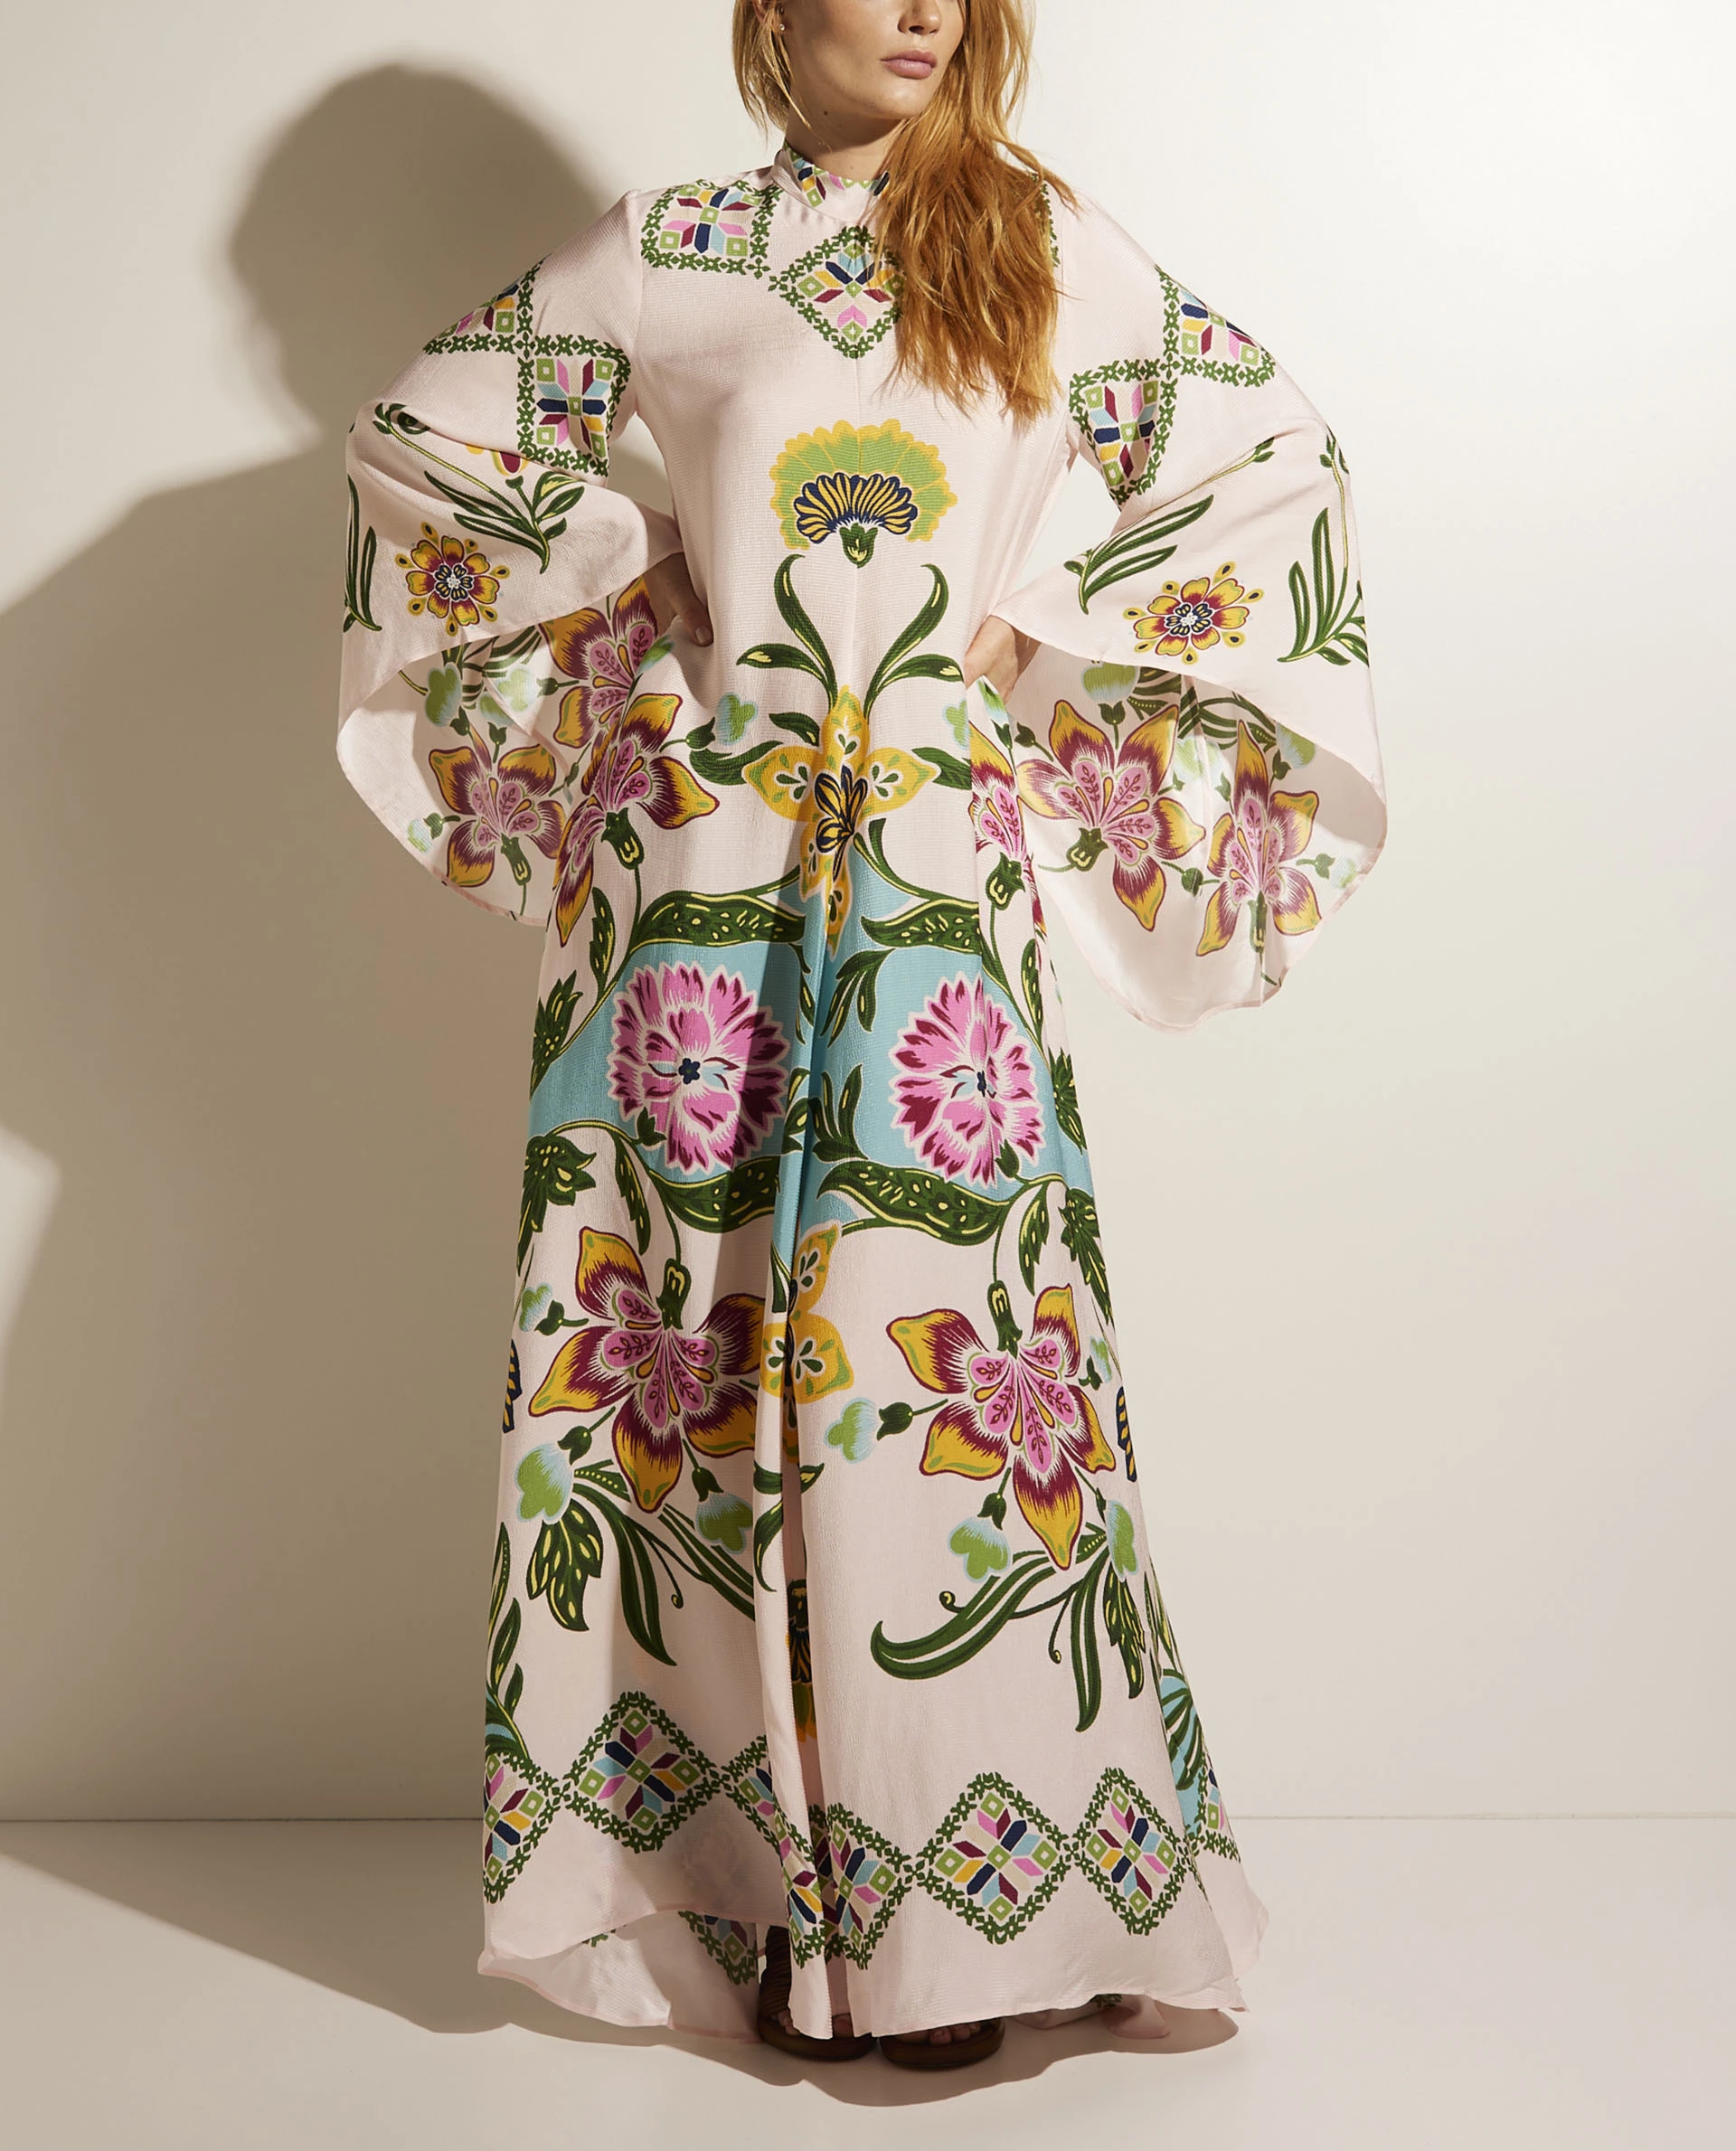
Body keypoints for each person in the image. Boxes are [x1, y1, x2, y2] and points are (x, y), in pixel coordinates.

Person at [336, 0, 1384, 2071]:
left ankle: (1001, 1902)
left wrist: (1035, 636)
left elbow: (1276, 468)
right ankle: (765, 1902)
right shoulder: (665, 251)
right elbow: (427, 449)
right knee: (703, 1369)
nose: (923, 10)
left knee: (954, 1380)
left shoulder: (1044, 244)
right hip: (703, 889)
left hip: (934, 892)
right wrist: (644, 597)